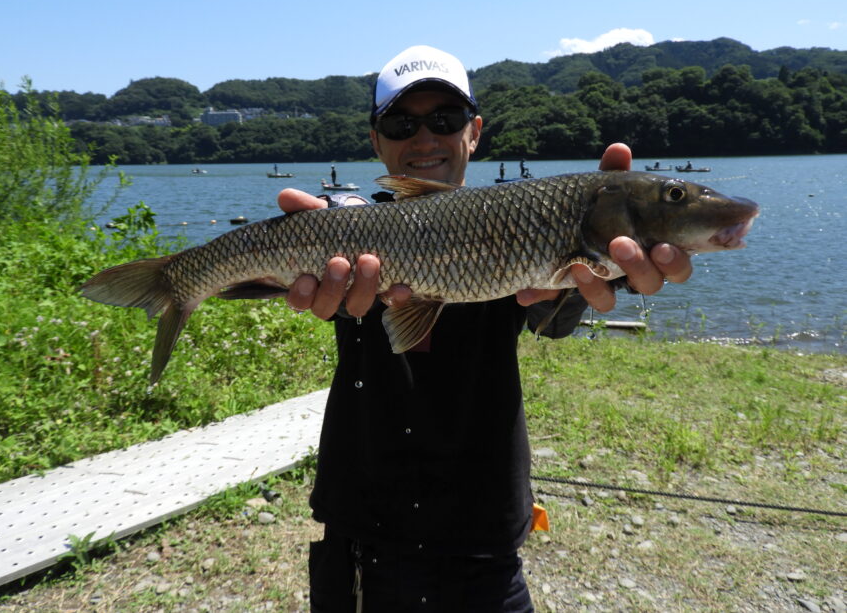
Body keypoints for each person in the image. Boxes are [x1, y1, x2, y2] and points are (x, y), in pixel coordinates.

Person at [278, 45, 693, 612]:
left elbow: (549, 314)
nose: (424, 138)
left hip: (483, 528)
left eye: (444, 121)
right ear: (376, 141)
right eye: (402, 123)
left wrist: (599, 267)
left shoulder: (514, 223)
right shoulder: (351, 223)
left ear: (473, 133)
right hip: (362, 522)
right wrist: (281, 257)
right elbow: (337, 211)